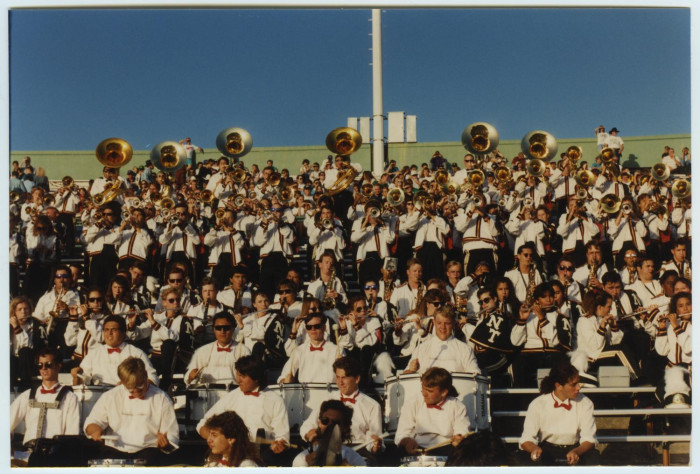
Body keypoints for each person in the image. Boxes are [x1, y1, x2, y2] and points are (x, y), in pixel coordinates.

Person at [197, 356, 291, 465]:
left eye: (242, 376)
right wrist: (214, 438)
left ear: (256, 378)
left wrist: (279, 445)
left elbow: (282, 436)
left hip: (259, 454)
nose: (238, 380)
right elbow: (203, 424)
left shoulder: (276, 400)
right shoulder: (231, 397)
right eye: (237, 375)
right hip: (231, 453)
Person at [83, 357, 178, 466]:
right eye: (131, 389)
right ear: (122, 383)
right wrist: (95, 429)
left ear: (146, 376)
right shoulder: (110, 396)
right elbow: (92, 422)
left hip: (148, 452)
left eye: (140, 386)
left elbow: (172, 436)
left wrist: (165, 443)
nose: (136, 391)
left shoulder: (162, 398)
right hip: (114, 451)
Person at [300, 357, 383, 463]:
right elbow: (306, 426)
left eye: (344, 377)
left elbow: (372, 439)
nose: (340, 382)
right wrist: (311, 435)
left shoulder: (372, 405)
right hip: (328, 448)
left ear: (357, 379)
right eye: (338, 377)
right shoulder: (327, 400)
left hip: (358, 450)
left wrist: (375, 445)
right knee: (301, 462)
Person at [517, 362, 599, 466]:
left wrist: (576, 452)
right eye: (573, 384)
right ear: (558, 386)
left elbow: (589, 439)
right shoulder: (538, 404)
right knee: (522, 459)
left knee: (593, 458)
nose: (579, 387)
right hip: (546, 451)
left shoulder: (585, 403)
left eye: (578, 383)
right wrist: (534, 449)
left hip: (575, 449)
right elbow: (526, 438)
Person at [395, 367, 473, 457]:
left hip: (446, 448)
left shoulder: (458, 407)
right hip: (417, 447)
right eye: (423, 388)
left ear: (444, 392)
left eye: (429, 391)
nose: (424, 393)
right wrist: (406, 441)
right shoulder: (413, 402)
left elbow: (462, 432)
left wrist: (459, 439)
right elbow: (401, 433)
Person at [11, 347, 81, 447]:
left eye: (48, 365)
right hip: (28, 454)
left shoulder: (70, 398)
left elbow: (72, 435)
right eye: (40, 365)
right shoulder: (28, 395)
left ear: (58, 366)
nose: (43, 368)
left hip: (54, 455)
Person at [71, 315, 158, 386]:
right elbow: (83, 378)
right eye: (106, 330)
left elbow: (152, 378)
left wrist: (132, 385)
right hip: (99, 397)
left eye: (114, 330)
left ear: (124, 333)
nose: (109, 333)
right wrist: (77, 375)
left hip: (126, 396)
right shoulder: (94, 353)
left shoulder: (136, 353)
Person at [403, 307, 480, 375]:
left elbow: (475, 374)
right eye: (439, 323)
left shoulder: (465, 349)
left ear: (453, 323)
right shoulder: (422, 348)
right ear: (434, 323)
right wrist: (411, 370)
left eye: (447, 323)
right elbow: (405, 374)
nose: (443, 327)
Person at [292, 399, 366, 467]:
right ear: (319, 423)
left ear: (345, 427)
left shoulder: (355, 460)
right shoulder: (302, 460)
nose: (329, 425)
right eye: (325, 420)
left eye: (336, 422)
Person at [185, 312, 251, 386]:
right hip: (207, 394)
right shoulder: (202, 351)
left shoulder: (243, 351)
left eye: (226, 328)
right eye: (218, 328)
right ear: (213, 329)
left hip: (233, 394)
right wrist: (191, 376)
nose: (222, 331)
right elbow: (188, 379)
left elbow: (249, 379)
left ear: (233, 328)